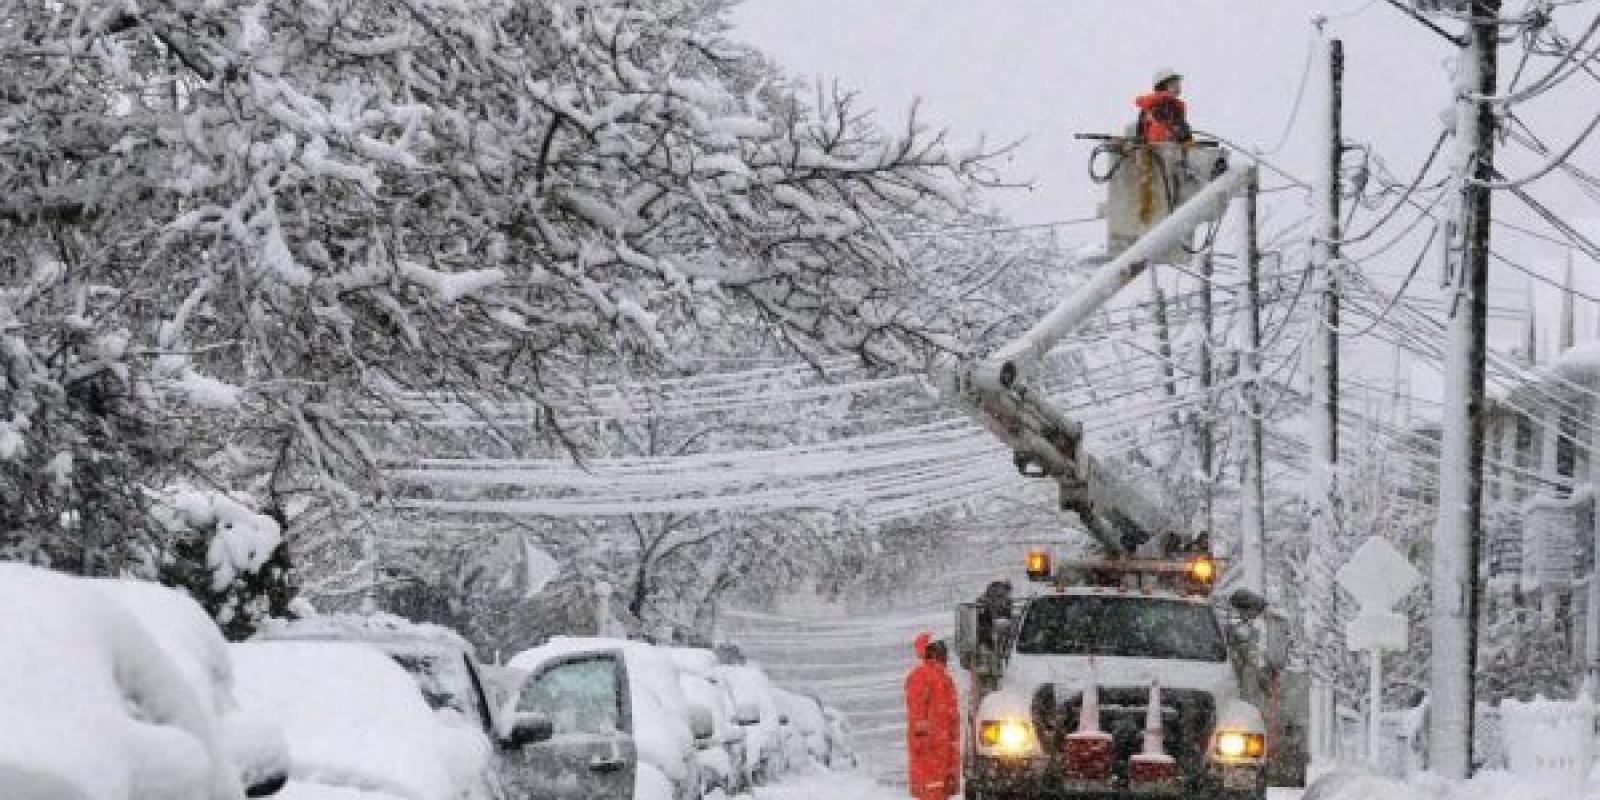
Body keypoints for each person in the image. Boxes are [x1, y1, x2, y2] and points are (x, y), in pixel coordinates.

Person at [905, 632, 960, 800]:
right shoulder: (921, 676)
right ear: (931, 652)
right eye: (941, 648)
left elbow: (950, 715)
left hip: (942, 749)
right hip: (931, 750)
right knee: (932, 790)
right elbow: (917, 713)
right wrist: (922, 740)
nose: (946, 653)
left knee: (940, 791)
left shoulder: (944, 678)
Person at [1135, 68, 1194, 145]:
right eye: (1173, 84)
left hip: (1172, 151)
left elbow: (1182, 129)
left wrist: (1187, 137)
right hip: (1156, 150)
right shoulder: (1153, 105)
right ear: (1162, 86)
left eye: (1178, 83)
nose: (1177, 87)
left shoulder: (1175, 107)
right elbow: (1142, 132)